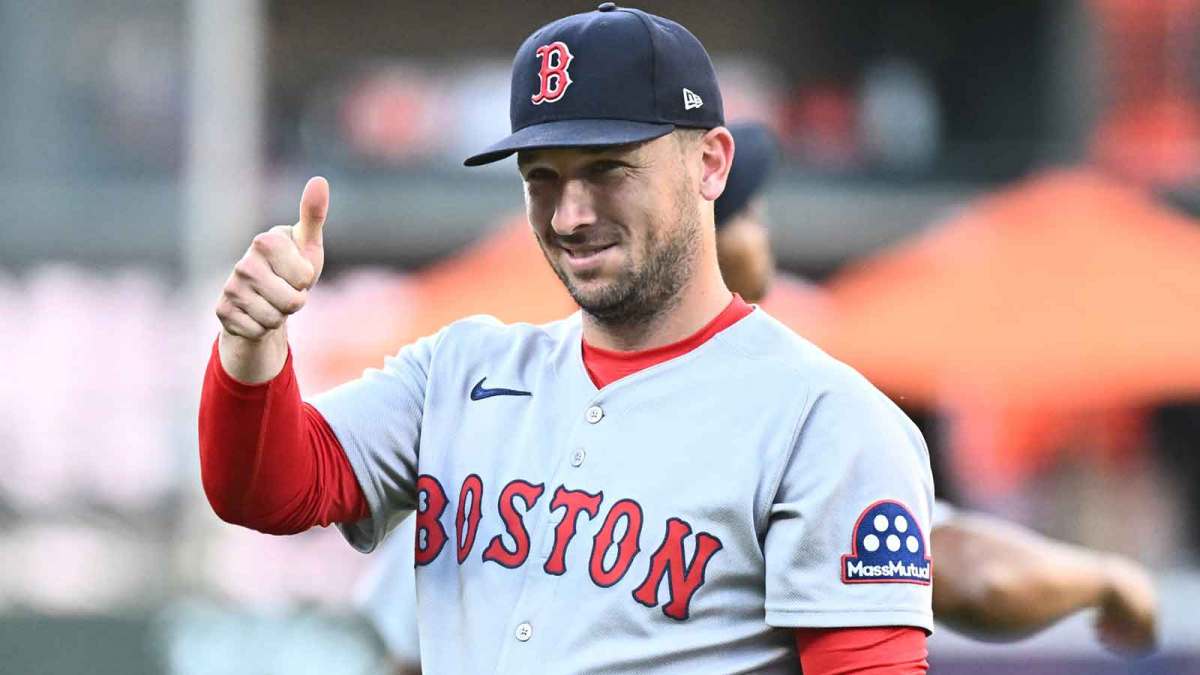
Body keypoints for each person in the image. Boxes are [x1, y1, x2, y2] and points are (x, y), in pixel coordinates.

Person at [200, 6, 935, 673]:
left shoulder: (826, 419)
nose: (570, 214)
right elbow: (267, 489)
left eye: (607, 169)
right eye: (541, 176)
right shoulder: (459, 370)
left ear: (710, 162)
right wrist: (252, 346)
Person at [351, 122, 1158, 673]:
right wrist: (1106, 580)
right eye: (751, 214)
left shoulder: (498, 398)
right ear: (697, 214)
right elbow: (967, 576)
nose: (761, 236)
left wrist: (1101, 577)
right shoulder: (490, 382)